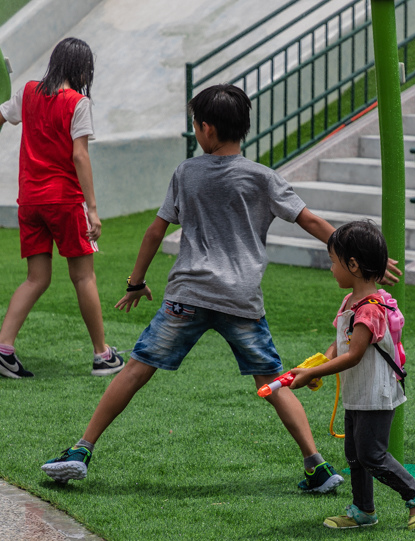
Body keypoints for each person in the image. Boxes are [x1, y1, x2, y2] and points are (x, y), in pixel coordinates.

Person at [41, 84, 364, 493]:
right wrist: (357, 256)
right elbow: (312, 222)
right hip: (241, 301)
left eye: (196, 125)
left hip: (187, 297)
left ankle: (81, 450)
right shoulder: (262, 178)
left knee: (137, 369)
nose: (196, 132)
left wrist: (136, 281)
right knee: (273, 382)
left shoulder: (187, 172)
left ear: (207, 129)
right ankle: (316, 465)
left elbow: (156, 230)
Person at [0, 38, 124, 379]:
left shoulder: (28, 92)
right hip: (63, 200)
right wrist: (93, 208)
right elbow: (79, 155)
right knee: (83, 276)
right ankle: (103, 355)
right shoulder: (78, 102)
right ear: (83, 69)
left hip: (29, 201)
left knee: (36, 278)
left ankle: (2, 348)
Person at [288, 220, 415, 531]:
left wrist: (313, 373)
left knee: (372, 455)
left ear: (353, 264)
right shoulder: (351, 302)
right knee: (355, 454)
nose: (331, 269)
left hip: (375, 393)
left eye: (334, 262)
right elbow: (341, 342)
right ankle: (363, 510)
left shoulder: (371, 308)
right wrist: (318, 361)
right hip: (358, 393)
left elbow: (354, 354)